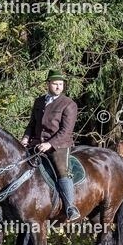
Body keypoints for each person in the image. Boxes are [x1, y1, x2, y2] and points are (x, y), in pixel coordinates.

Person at [21, 69, 80, 220]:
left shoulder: (69, 104)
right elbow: (32, 124)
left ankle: (70, 207)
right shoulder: (39, 101)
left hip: (59, 145)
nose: (59, 87)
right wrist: (25, 138)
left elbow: (66, 131)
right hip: (36, 144)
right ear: (48, 84)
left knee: (62, 171)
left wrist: (50, 144)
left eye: (61, 84)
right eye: (55, 84)